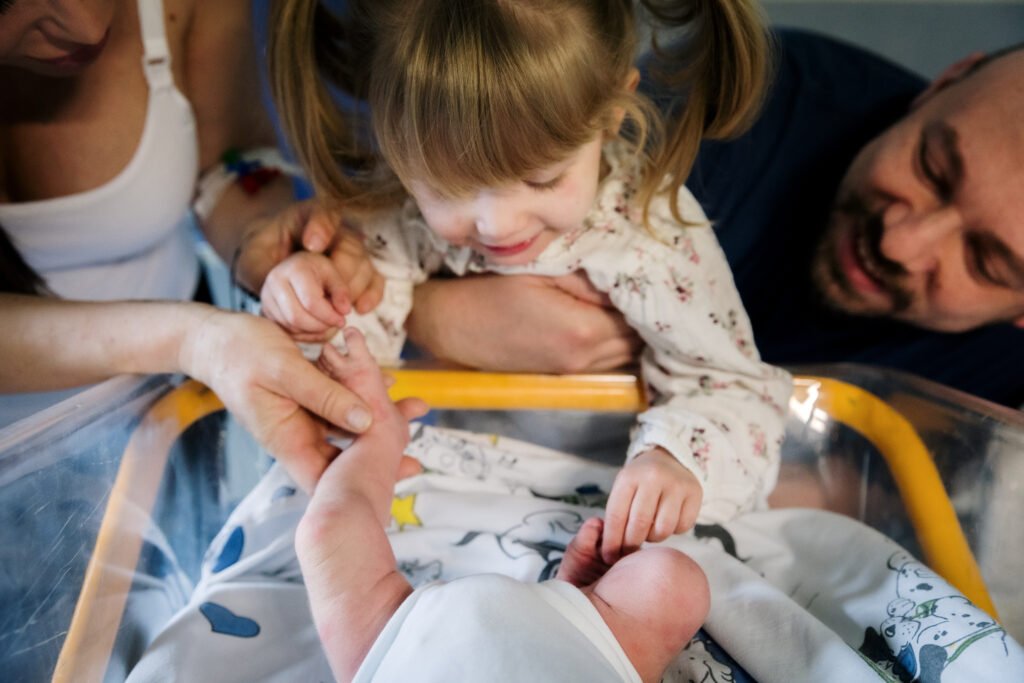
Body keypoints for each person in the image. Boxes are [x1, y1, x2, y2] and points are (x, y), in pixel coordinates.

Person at [262, 0, 793, 563]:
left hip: (614, 509)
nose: (497, 224)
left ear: (612, 111)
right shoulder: (398, 218)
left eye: (542, 179)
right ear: (393, 141)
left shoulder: (650, 232)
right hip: (458, 495)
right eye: (448, 187)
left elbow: (734, 388)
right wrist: (307, 305)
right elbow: (340, 379)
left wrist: (674, 459)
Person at [403, 29, 1024, 408]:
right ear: (944, 83)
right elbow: (459, 254)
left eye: (984, 261)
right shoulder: (742, 101)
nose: (898, 242)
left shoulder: (1005, 387)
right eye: (930, 168)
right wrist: (420, 310)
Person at [0, 0, 386, 429]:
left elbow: (228, 159)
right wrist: (190, 340)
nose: (87, 28)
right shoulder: (201, 341)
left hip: (172, 414)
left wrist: (258, 235)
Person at [294, 328, 709, 683]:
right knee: (671, 584)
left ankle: (380, 435)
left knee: (329, 532)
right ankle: (585, 611)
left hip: (395, 655)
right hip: (579, 656)